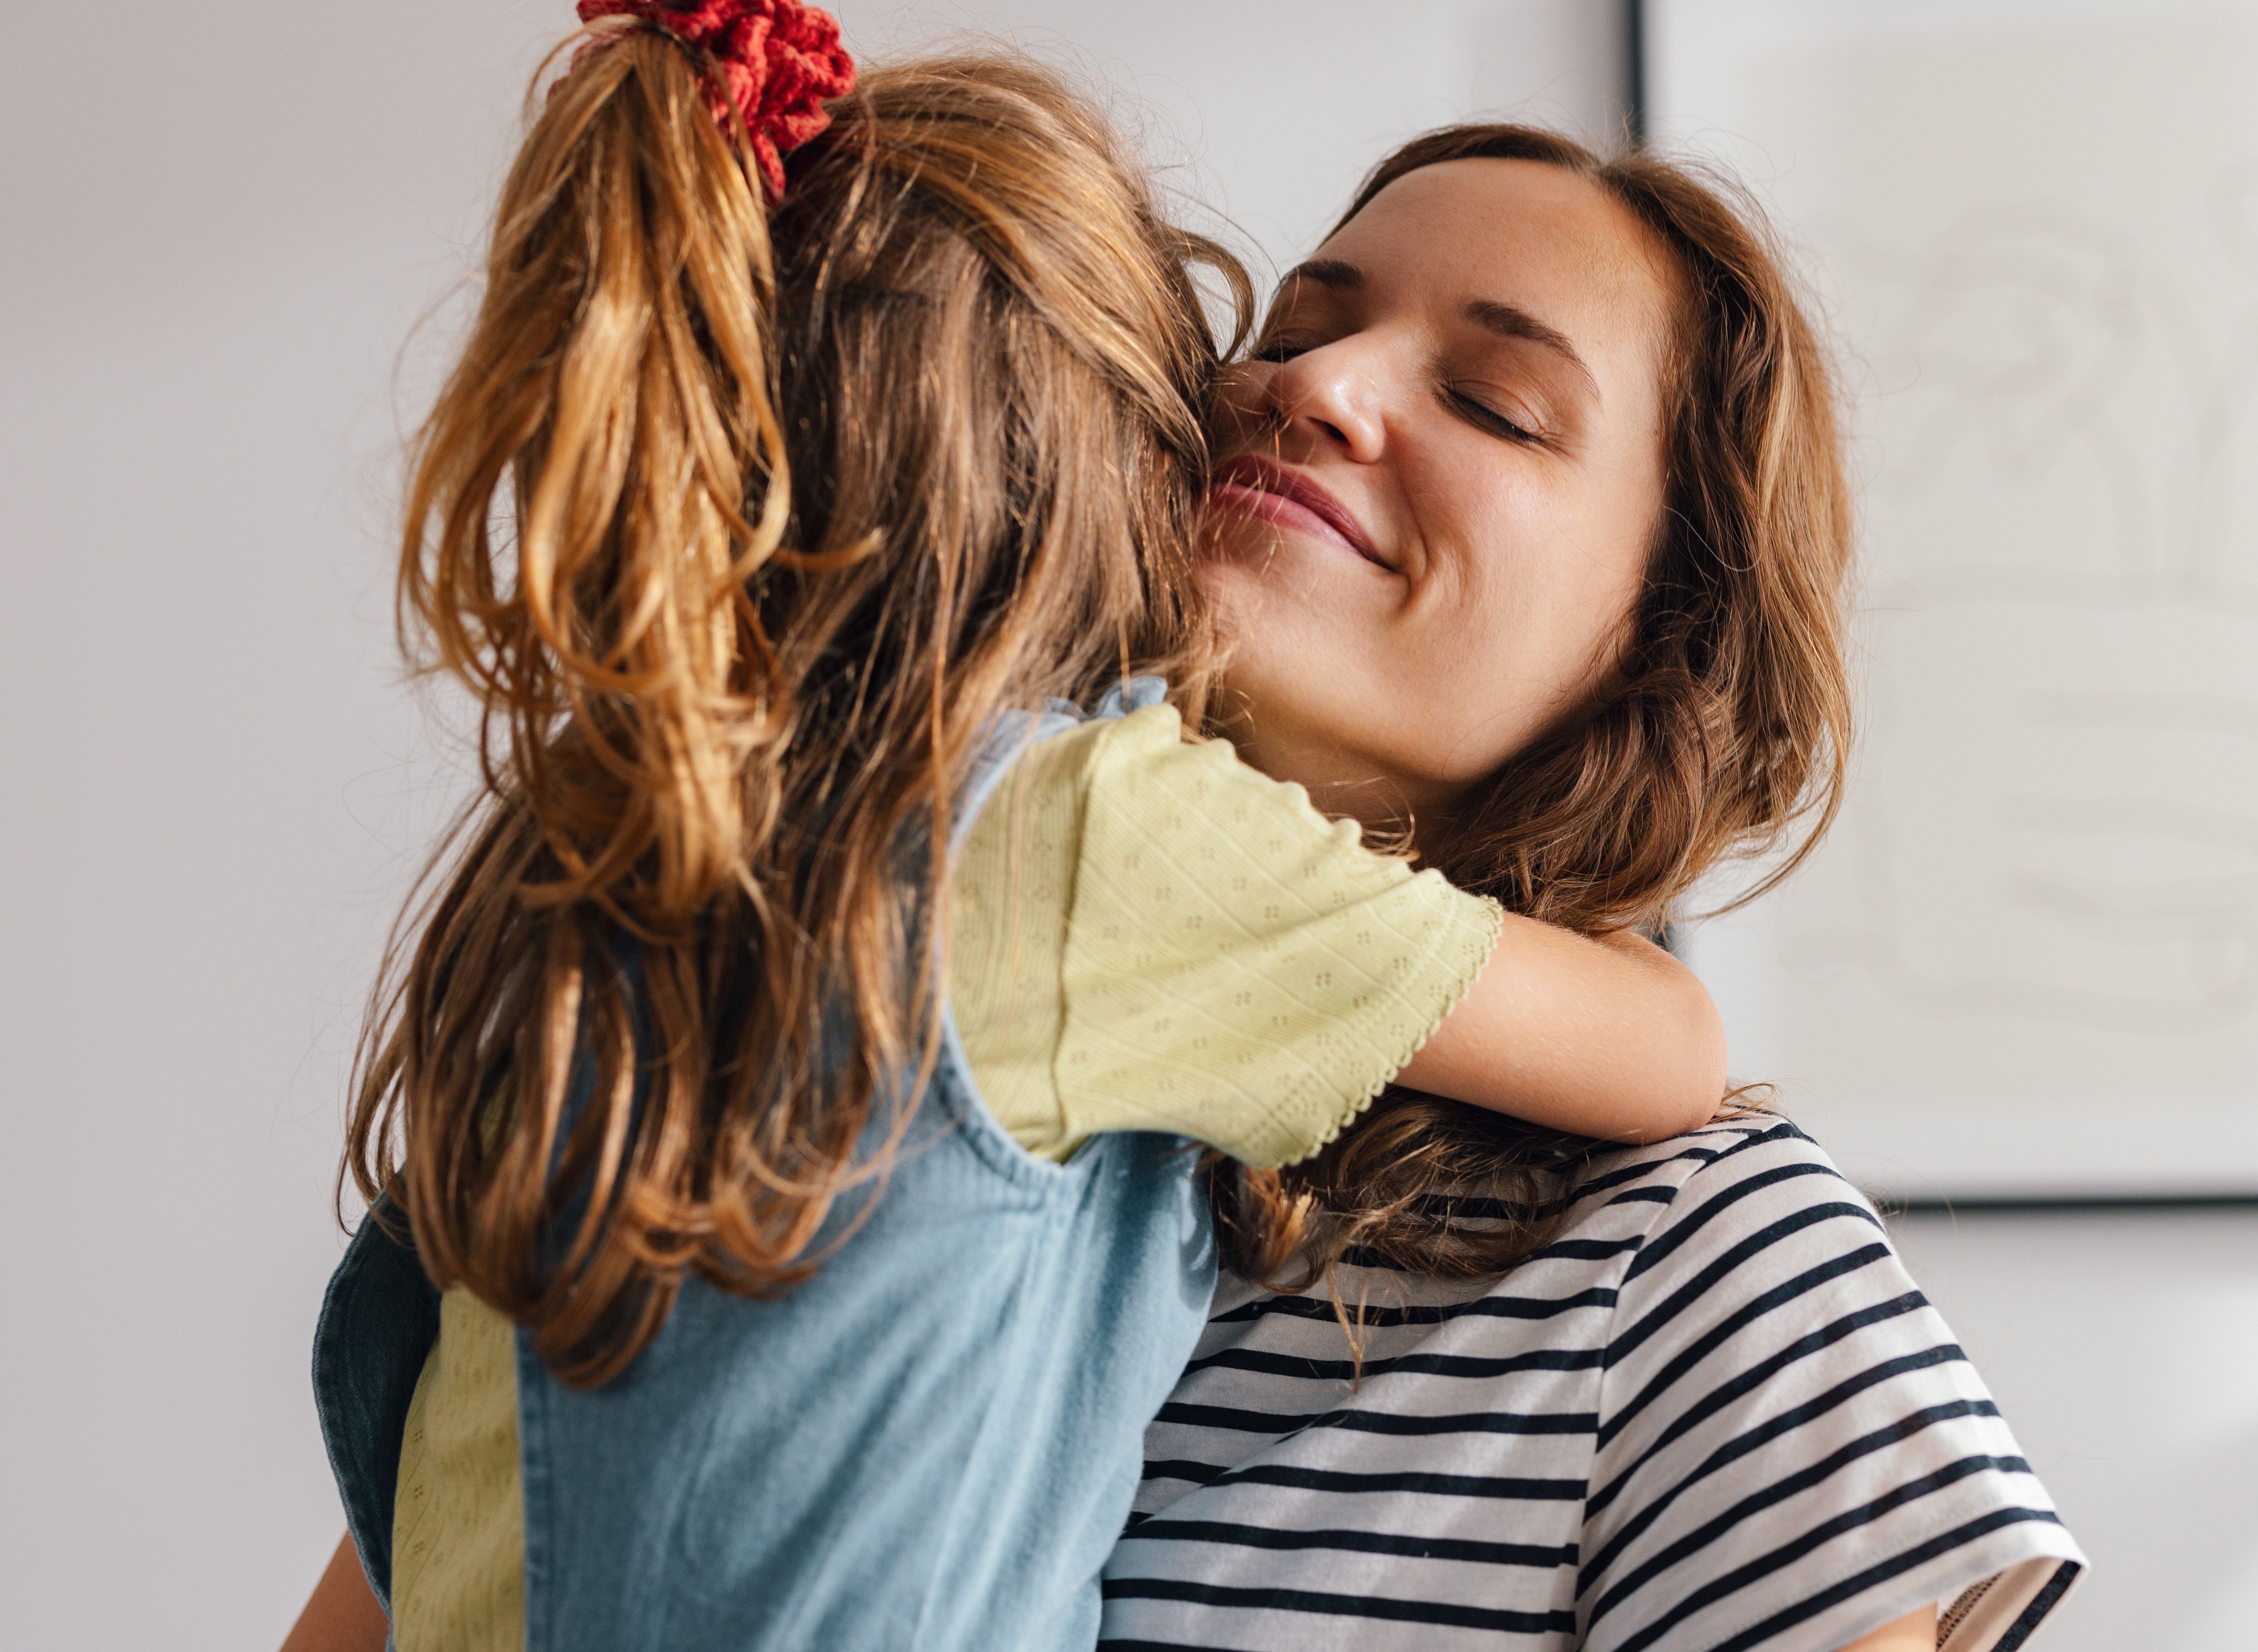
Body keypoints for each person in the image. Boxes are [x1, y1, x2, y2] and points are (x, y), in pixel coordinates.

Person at [287, 12, 1740, 1651]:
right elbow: (1664, 1040)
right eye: (1263, 337)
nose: (1305, 387)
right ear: (1123, 462)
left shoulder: (604, 836)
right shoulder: (1084, 839)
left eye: (1492, 399)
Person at [1099, 127, 2087, 1652]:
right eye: (1294, 331)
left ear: (1658, 631)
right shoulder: (955, 1103)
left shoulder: (1698, 1255)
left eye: (1493, 403)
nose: (1313, 385)